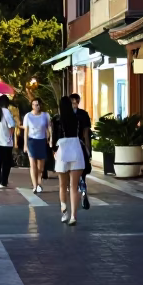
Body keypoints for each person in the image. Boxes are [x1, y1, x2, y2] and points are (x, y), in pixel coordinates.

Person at [52, 96, 86, 225]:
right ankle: (73, 216)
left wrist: (54, 150)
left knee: (62, 184)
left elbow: (54, 137)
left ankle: (64, 211)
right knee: (74, 186)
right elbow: (82, 135)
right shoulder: (77, 119)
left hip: (62, 149)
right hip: (76, 148)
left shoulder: (56, 120)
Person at [22, 98, 50, 193]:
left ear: (40, 105)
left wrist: (50, 138)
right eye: (34, 105)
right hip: (31, 141)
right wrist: (25, 144)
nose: (36, 107)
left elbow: (49, 127)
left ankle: (39, 182)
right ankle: (35, 185)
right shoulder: (28, 116)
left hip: (42, 141)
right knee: (32, 164)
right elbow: (26, 130)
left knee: (40, 167)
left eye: (37, 104)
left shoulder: (45, 115)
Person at [70, 92, 93, 210]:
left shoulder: (83, 114)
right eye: (72, 102)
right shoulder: (66, 115)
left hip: (79, 145)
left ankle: (83, 192)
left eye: (76, 102)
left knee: (81, 173)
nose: (74, 104)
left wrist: (88, 149)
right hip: (72, 146)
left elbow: (86, 132)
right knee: (76, 173)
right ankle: (80, 191)